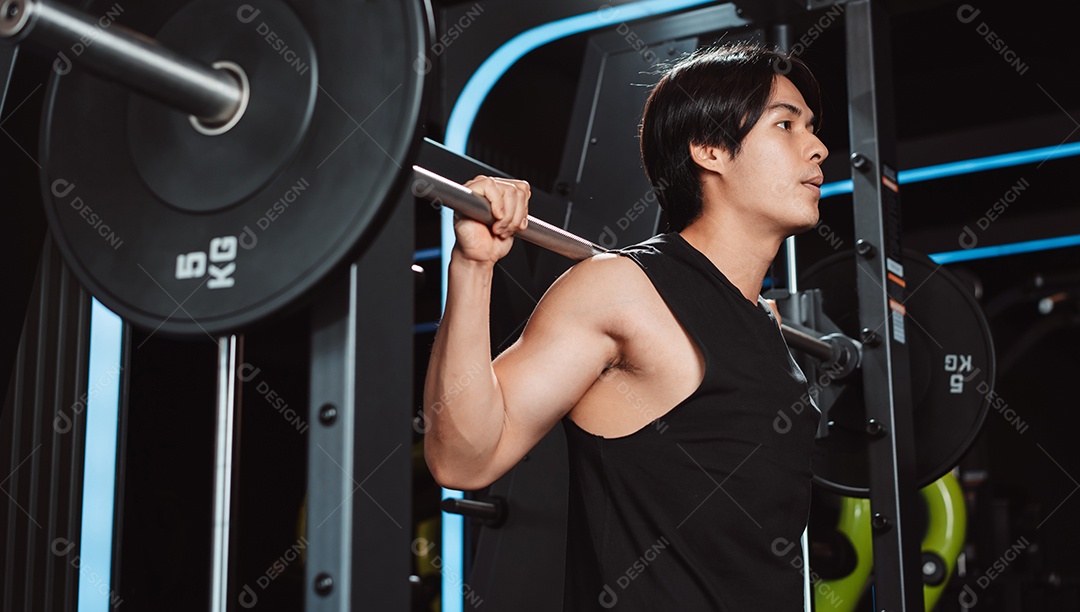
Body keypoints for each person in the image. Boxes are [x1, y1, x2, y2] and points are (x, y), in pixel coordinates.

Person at [423, 43, 828, 610]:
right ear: (709, 149)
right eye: (786, 124)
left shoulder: (765, 320)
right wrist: (473, 268)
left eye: (811, 127)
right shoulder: (620, 289)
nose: (818, 148)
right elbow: (463, 459)